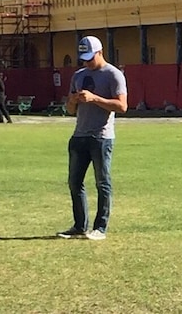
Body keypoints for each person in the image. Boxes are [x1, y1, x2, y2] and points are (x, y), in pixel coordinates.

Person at [57, 36, 127, 241]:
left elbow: (122, 106)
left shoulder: (113, 75)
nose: (87, 62)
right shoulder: (78, 75)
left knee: (102, 182)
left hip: (101, 137)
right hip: (79, 135)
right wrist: (72, 101)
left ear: (100, 52)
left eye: (90, 58)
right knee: (74, 182)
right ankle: (79, 226)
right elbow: (70, 110)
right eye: (84, 59)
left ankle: (100, 228)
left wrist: (95, 98)